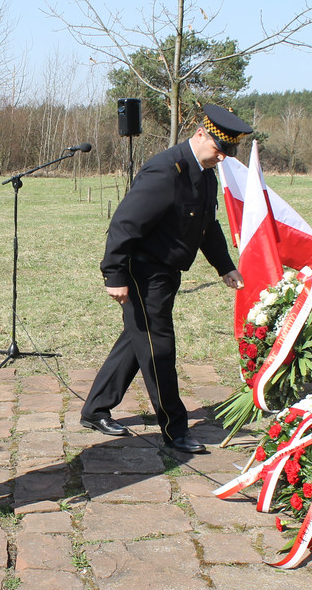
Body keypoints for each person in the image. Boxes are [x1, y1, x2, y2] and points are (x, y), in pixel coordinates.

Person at [79, 104, 250, 454]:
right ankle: (175, 429)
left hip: (166, 274)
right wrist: (114, 273)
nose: (222, 158)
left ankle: (95, 409)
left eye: (227, 153)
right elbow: (124, 224)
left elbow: (206, 225)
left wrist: (224, 266)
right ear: (201, 134)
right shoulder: (165, 170)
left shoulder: (203, 173)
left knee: (136, 339)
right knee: (159, 349)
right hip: (144, 273)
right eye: (219, 149)